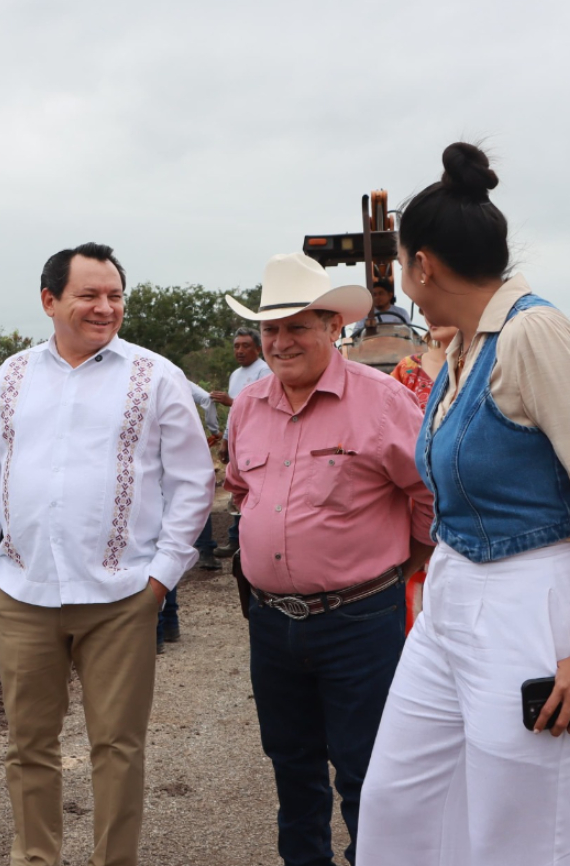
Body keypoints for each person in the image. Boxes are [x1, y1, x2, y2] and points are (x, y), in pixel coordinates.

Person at [356, 143, 570, 866]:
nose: (399, 278)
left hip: (530, 599)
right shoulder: (463, 346)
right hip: (455, 598)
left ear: (420, 263)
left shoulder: (534, 336)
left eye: (398, 262)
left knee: (527, 827)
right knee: (400, 798)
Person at [0, 242, 214, 866]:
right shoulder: (12, 376)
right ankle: (35, 858)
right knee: (28, 747)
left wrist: (161, 576)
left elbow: (192, 480)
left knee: (118, 747)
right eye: (90, 295)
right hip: (21, 593)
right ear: (50, 301)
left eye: (115, 297)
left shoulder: (155, 376)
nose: (105, 308)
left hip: (121, 596)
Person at [223, 252, 434, 866]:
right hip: (270, 621)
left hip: (359, 621)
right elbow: (240, 487)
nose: (281, 342)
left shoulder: (382, 400)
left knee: (368, 770)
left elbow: (427, 495)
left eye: (298, 326)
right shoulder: (247, 406)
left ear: (332, 327)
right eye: (271, 329)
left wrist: (399, 564)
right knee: (292, 766)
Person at [388, 321, 457, 632]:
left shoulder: (493, 367)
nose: (435, 316)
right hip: (419, 501)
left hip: (467, 502)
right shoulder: (407, 370)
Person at [154, 381, 223, 652]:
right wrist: (212, 429)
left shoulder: (151, 376)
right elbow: (207, 399)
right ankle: (169, 623)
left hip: (157, 462)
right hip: (182, 453)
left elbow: (207, 399)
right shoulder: (170, 374)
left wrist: (215, 431)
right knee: (177, 523)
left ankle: (159, 630)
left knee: (157, 542)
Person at [210, 327, 272, 557]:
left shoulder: (264, 371)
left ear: (258, 348)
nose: (240, 350)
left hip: (258, 439)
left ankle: (252, 539)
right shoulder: (235, 374)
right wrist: (225, 441)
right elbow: (234, 416)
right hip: (238, 439)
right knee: (237, 488)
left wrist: (230, 401)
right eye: (236, 346)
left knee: (255, 487)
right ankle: (236, 539)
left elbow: (262, 406)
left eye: (246, 346)